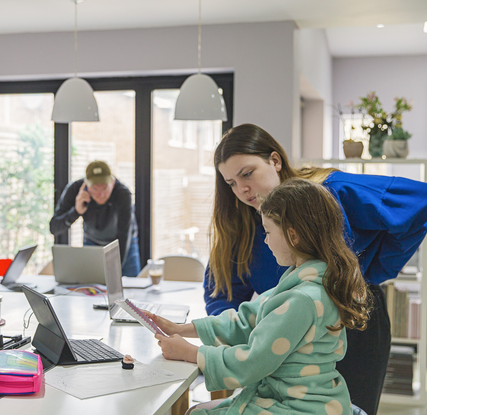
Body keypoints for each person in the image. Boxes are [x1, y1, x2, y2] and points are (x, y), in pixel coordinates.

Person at [201, 124, 426, 415]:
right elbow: (223, 292)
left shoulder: (330, 191)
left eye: (247, 174)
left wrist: (371, 269)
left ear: (275, 161)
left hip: (350, 325)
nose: (242, 189)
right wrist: (235, 336)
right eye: (230, 182)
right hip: (287, 333)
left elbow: (419, 202)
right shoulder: (239, 224)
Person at [148, 178, 371, 415]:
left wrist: (190, 353)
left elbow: (253, 362)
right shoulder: (308, 280)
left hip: (298, 406)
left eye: (268, 231)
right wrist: (182, 329)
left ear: (292, 236)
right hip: (307, 399)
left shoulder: (303, 299)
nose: (265, 240)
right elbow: (247, 319)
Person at [49, 160, 141, 277]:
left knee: (129, 286)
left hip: (123, 243)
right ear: (86, 185)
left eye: (104, 189)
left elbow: (124, 233)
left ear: (112, 183)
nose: (100, 195)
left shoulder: (123, 194)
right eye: (95, 189)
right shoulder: (75, 189)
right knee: (91, 286)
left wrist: (115, 271)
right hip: (92, 242)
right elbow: (54, 228)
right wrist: (76, 211)